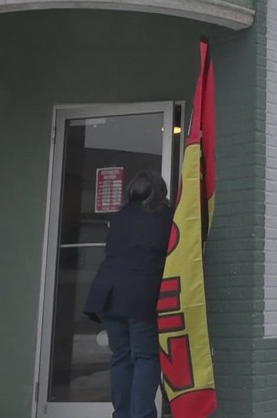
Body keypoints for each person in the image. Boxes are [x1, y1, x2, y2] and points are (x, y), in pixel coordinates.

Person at [84, 170, 175, 418]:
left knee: (121, 358)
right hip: (142, 297)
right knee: (145, 358)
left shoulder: (119, 217)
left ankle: (122, 414)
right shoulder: (167, 218)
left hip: (109, 294)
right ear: (160, 191)